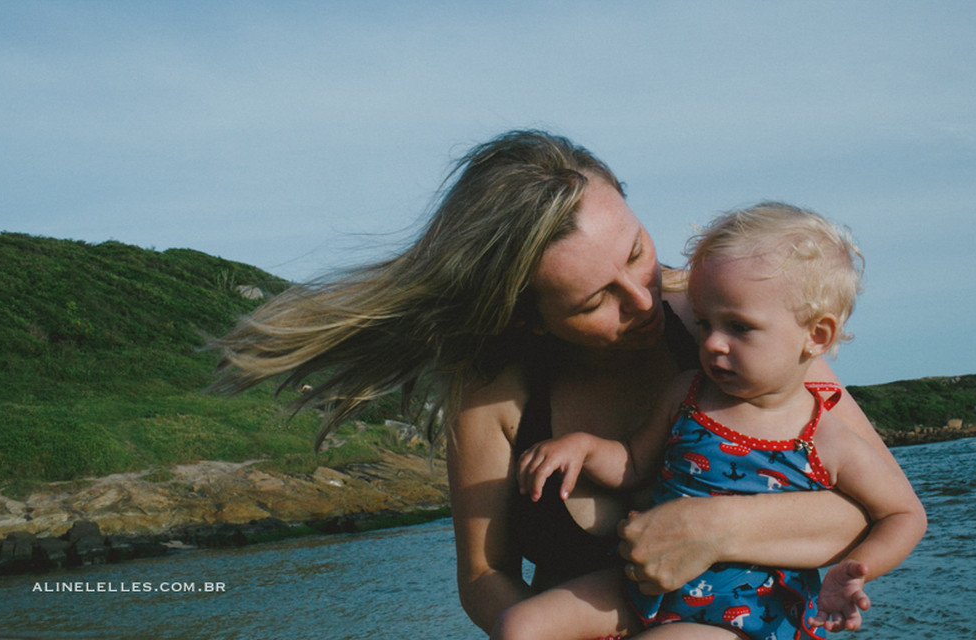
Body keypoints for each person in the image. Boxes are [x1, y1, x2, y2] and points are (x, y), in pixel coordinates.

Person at [209, 130, 898, 634]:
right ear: (529, 318)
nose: (643, 300)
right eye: (595, 300)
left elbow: (873, 507)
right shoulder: (493, 395)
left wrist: (711, 526)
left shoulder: (728, 325)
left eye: (636, 251)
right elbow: (484, 577)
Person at [500, 202, 927, 640]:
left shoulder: (825, 438)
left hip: (743, 611)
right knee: (520, 626)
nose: (713, 344)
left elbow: (904, 514)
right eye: (705, 323)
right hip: (643, 582)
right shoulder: (688, 393)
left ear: (816, 335)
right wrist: (585, 448)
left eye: (739, 327)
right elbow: (632, 463)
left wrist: (856, 569)